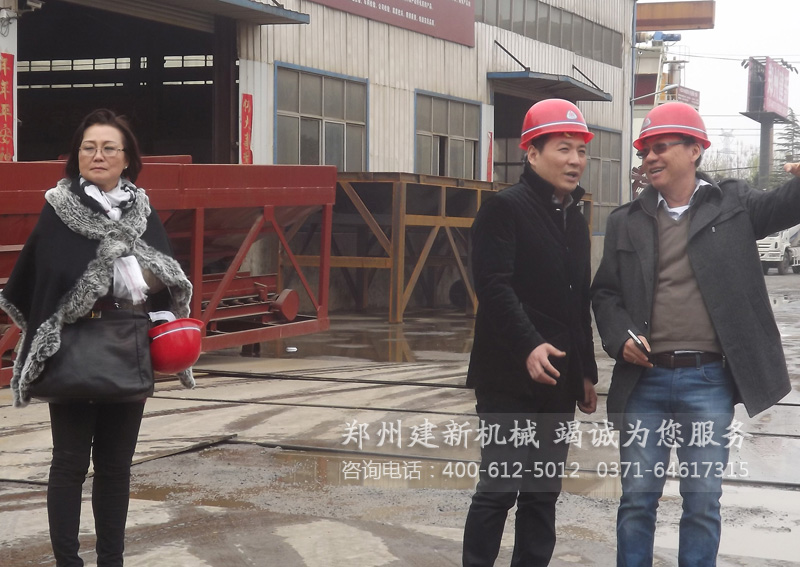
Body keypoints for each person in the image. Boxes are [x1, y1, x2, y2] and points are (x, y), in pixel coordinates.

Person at [591, 101, 800, 566]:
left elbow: (785, 204)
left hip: (707, 382)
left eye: (661, 147)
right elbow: (605, 294)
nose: (650, 158)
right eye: (645, 151)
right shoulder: (626, 220)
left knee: (702, 504)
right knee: (636, 501)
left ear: (695, 150)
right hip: (643, 382)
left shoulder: (733, 205)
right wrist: (619, 337)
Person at [0, 108, 194, 566]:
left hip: (129, 342)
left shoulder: (143, 211)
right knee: (69, 463)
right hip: (73, 344)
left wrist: (147, 285)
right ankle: (68, 562)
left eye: (109, 148)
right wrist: (101, 268)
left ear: (127, 158)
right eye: (89, 147)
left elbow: (164, 277)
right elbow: (43, 278)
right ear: (77, 156)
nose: (98, 155)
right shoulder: (58, 209)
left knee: (115, 467)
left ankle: (112, 560)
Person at [462, 99, 598, 566]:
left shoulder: (575, 220)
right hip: (507, 378)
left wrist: (584, 372)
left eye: (581, 150)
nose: (575, 160)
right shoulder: (503, 209)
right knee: (499, 489)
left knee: (542, 493)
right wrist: (529, 344)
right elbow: (493, 286)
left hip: (557, 379)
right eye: (564, 148)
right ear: (532, 153)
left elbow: (578, 301)